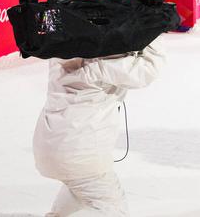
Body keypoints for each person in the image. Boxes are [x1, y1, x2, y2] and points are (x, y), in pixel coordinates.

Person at [33, 36, 165, 216]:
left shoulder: (62, 49)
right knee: (111, 206)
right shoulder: (104, 59)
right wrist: (152, 30)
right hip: (80, 152)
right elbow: (147, 70)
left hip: (51, 143)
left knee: (79, 191)